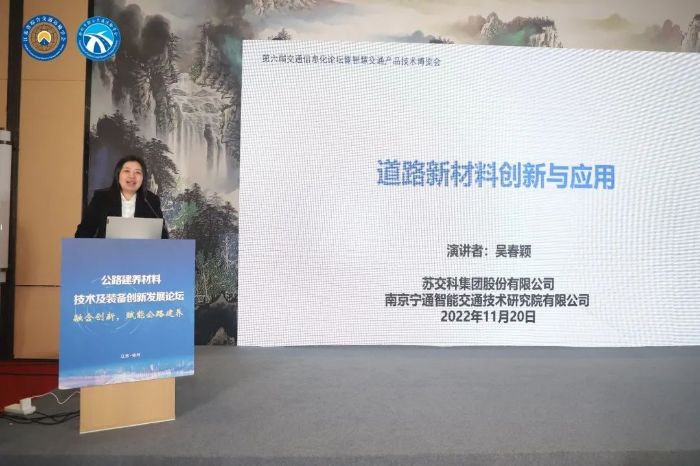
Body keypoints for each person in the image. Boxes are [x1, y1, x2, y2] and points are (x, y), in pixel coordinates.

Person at [75, 155, 169, 239]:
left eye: (137, 172)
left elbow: (163, 235)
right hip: (106, 251)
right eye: (126, 171)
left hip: (142, 252)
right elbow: (84, 232)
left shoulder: (151, 200)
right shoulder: (101, 198)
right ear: (118, 175)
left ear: (143, 178)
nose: (132, 176)